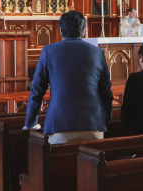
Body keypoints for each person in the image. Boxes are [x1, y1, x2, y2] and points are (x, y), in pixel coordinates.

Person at [23, 11, 113, 144]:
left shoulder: (49, 51)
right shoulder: (97, 53)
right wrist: (104, 119)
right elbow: (106, 92)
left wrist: (30, 123)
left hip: (59, 125)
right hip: (92, 125)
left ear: (60, 30)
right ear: (84, 31)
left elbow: (37, 91)